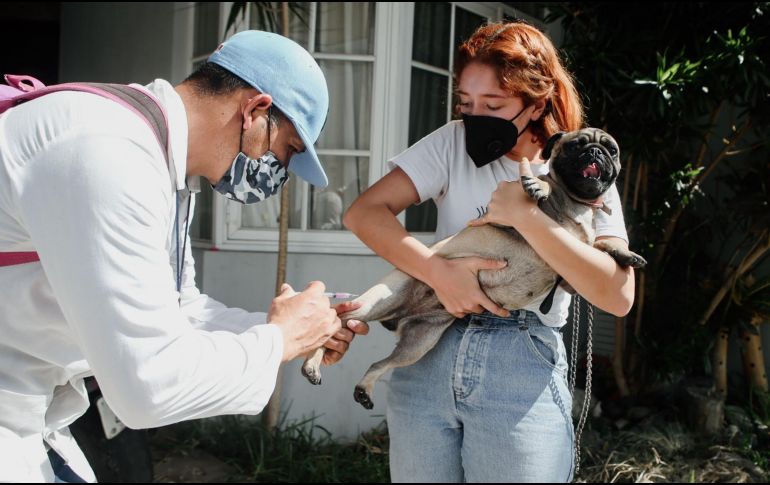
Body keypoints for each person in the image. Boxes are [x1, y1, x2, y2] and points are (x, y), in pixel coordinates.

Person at [0, 30, 368, 482]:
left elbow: (180, 308)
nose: (279, 173)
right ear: (256, 111)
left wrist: (288, 326)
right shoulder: (108, 154)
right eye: (286, 151)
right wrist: (280, 340)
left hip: (27, 410)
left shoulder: (159, 163)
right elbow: (145, 388)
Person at [344, 21, 635, 483]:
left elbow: (618, 295)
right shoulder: (450, 143)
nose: (474, 116)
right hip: (428, 353)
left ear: (536, 102)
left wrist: (527, 218)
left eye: (493, 105)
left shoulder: (581, 168)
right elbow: (364, 214)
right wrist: (438, 273)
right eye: (466, 103)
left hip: (521, 361)